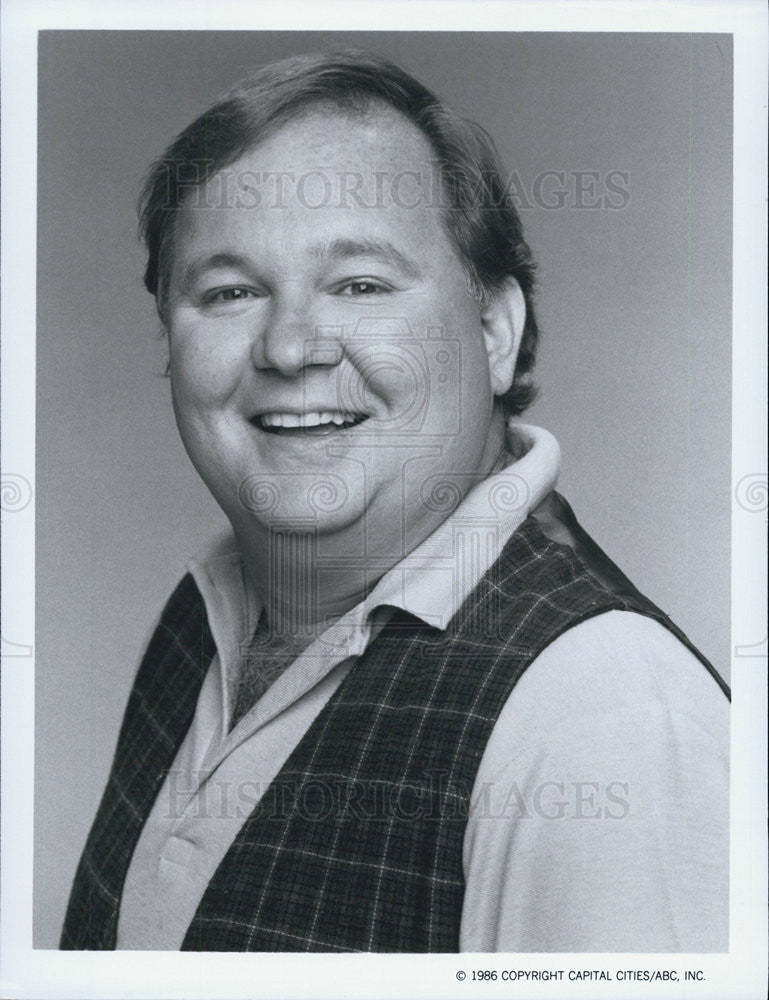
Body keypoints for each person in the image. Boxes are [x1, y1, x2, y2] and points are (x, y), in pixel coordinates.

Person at [60, 49, 729, 953]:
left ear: (495, 331)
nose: (291, 347)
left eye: (361, 285)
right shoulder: (198, 620)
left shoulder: (603, 717)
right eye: (230, 292)